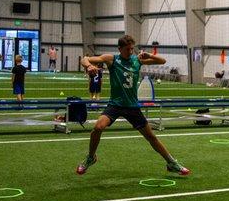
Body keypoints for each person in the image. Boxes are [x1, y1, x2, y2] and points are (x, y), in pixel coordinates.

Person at [76, 34, 190, 176]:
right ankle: (91, 157)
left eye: (132, 49)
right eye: (128, 49)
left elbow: (162, 60)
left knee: (151, 137)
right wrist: (89, 66)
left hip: (132, 106)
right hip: (115, 105)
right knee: (98, 127)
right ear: (120, 49)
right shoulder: (112, 59)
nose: (131, 52)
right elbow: (85, 59)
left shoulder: (137, 60)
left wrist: (149, 55)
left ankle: (171, 162)